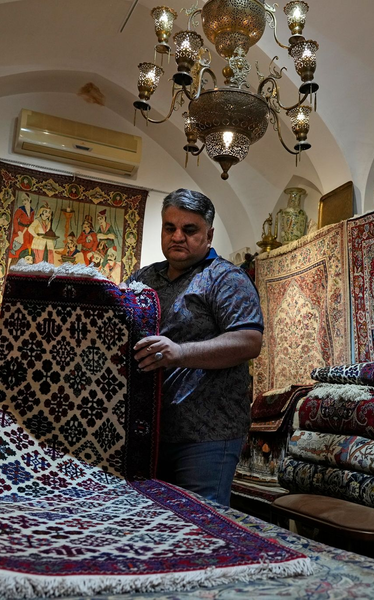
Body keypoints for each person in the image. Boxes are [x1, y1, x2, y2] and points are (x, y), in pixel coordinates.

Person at [128, 188, 263, 506]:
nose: (177, 236)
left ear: (209, 233)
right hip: (148, 430)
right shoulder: (143, 279)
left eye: (189, 230)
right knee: (151, 520)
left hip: (207, 433)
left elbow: (249, 340)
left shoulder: (226, 279)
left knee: (201, 524)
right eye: (169, 228)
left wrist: (180, 353)